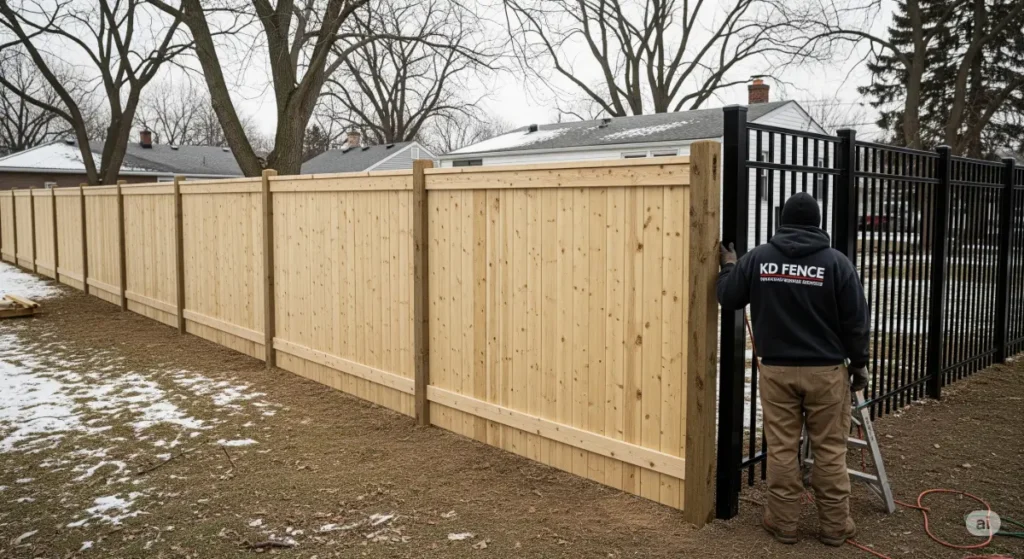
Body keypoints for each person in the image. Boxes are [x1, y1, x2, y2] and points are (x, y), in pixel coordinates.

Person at [717, 192, 870, 547]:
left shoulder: (760, 259)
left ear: (781, 222)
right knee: (830, 449)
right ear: (818, 223)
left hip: (777, 372)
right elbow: (856, 321)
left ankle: (783, 523)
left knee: (783, 448)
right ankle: (835, 527)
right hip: (826, 373)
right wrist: (859, 365)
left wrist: (728, 265)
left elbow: (728, 298)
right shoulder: (837, 263)